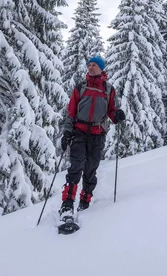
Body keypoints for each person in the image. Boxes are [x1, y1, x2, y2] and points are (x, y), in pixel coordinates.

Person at [59, 56, 126, 215]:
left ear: (101, 68)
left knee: (91, 169)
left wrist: (117, 115)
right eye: (89, 65)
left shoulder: (108, 89)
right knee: (76, 166)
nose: (90, 67)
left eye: (94, 65)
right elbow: (71, 113)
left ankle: (85, 201)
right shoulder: (80, 87)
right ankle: (67, 204)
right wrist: (67, 132)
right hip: (79, 132)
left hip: (98, 135)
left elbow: (112, 110)